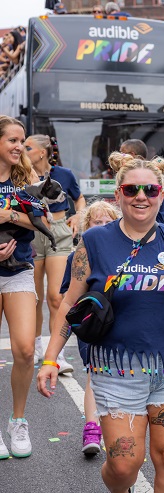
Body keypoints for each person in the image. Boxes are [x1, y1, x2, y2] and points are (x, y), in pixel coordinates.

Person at [37, 153, 164, 493]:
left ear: (162, 193)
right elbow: (69, 305)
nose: (141, 196)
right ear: (118, 195)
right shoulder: (94, 243)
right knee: (124, 465)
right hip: (117, 370)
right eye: (131, 189)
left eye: (150, 189)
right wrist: (49, 359)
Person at [58, 199, 120, 455]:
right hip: (94, 327)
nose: (103, 226)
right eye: (97, 222)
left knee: (120, 378)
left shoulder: (128, 252)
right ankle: (92, 429)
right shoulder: (78, 256)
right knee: (95, 375)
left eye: (108, 221)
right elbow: (68, 298)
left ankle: (117, 430)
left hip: (123, 325)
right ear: (86, 227)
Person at [0, 116, 45, 460]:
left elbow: (43, 223)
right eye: (13, 140)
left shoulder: (27, 179)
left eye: (22, 141)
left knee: (26, 350)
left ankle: (18, 420)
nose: (19, 146)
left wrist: (9, 216)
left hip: (19, 271)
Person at [24, 135, 86, 373]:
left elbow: (78, 198)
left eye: (28, 147)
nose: (23, 149)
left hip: (59, 233)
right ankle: (37, 347)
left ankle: (56, 353)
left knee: (56, 297)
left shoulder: (64, 174)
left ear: (42, 152)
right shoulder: (20, 174)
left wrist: (78, 215)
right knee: (35, 298)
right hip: (31, 233)